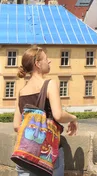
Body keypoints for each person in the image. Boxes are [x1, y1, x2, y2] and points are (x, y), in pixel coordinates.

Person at [13, 45, 78, 176]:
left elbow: (16, 126)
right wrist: (74, 118)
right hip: (46, 156)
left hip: (25, 155)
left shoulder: (21, 91)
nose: (49, 61)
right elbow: (58, 115)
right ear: (37, 63)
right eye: (46, 59)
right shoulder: (49, 84)